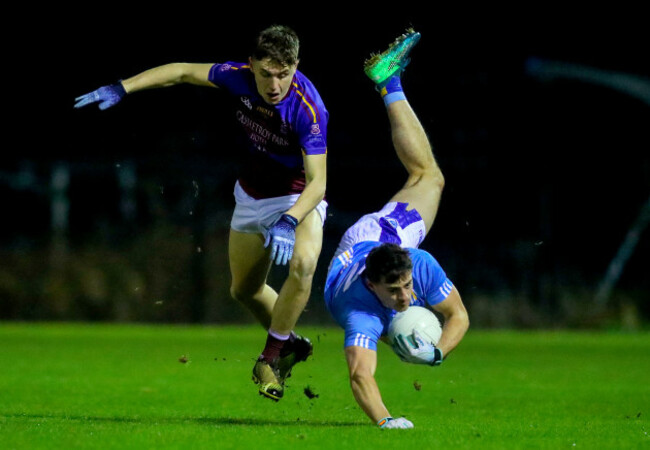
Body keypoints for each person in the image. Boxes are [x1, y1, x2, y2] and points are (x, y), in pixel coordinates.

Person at [74, 25, 328, 401]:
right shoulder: (236, 77)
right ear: (251, 64)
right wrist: (123, 87)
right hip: (251, 198)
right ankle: (289, 343)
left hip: (295, 200)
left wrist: (290, 220)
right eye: (266, 73)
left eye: (284, 74)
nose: (275, 85)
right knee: (244, 290)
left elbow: (318, 182)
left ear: (295, 66)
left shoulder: (308, 108)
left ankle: (270, 358)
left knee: (303, 264)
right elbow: (180, 70)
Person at [324, 29, 470, 429]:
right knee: (428, 175)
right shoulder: (360, 312)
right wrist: (385, 420)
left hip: (382, 232)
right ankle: (388, 82)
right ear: (373, 287)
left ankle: (389, 82)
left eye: (406, 285)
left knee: (429, 176)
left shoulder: (417, 262)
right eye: (395, 290)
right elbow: (360, 375)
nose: (407, 296)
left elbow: (458, 314)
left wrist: (439, 352)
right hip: (359, 248)